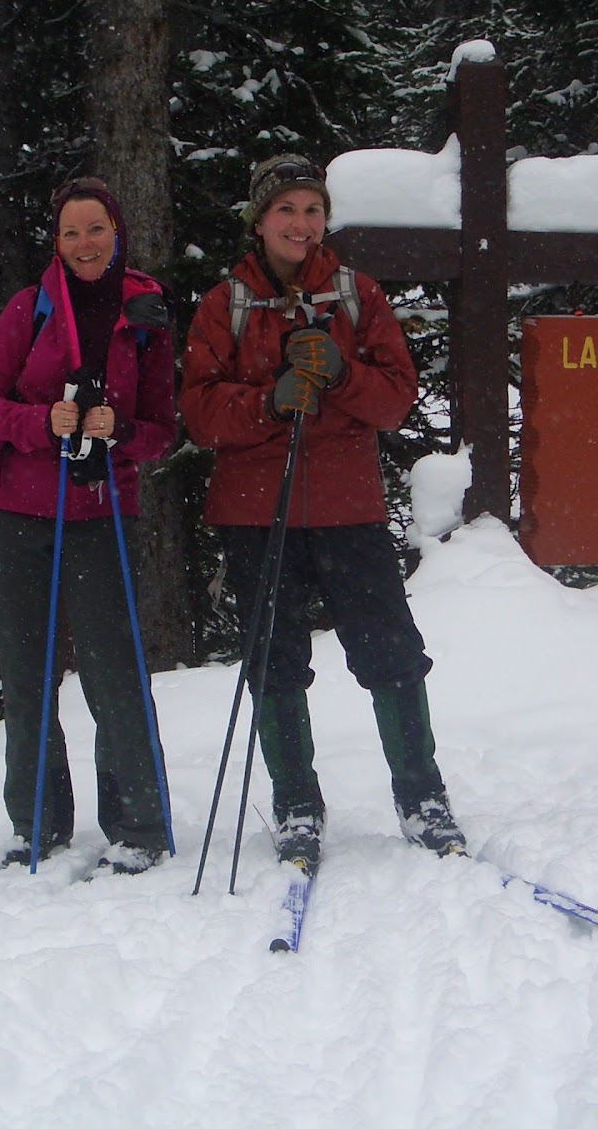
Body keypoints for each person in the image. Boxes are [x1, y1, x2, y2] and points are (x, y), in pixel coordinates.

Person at [179, 153, 465, 876]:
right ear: (260, 219)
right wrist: (269, 400)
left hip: (347, 507)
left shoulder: (357, 295)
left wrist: (339, 373)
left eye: (312, 210)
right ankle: (296, 801)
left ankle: (421, 794)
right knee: (274, 661)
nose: (301, 224)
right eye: (286, 211)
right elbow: (200, 413)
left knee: (390, 651)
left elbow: (397, 401)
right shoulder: (225, 305)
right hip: (256, 511)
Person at [0, 177, 175, 876]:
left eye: (97, 229)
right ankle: (37, 827)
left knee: (116, 677)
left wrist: (124, 430)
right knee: (28, 678)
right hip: (17, 513)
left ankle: (139, 825)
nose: (85, 244)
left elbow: (162, 431)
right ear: (56, 242)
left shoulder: (145, 315)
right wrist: (36, 422)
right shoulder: (30, 308)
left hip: (100, 512)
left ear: (117, 233)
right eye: (72, 232)